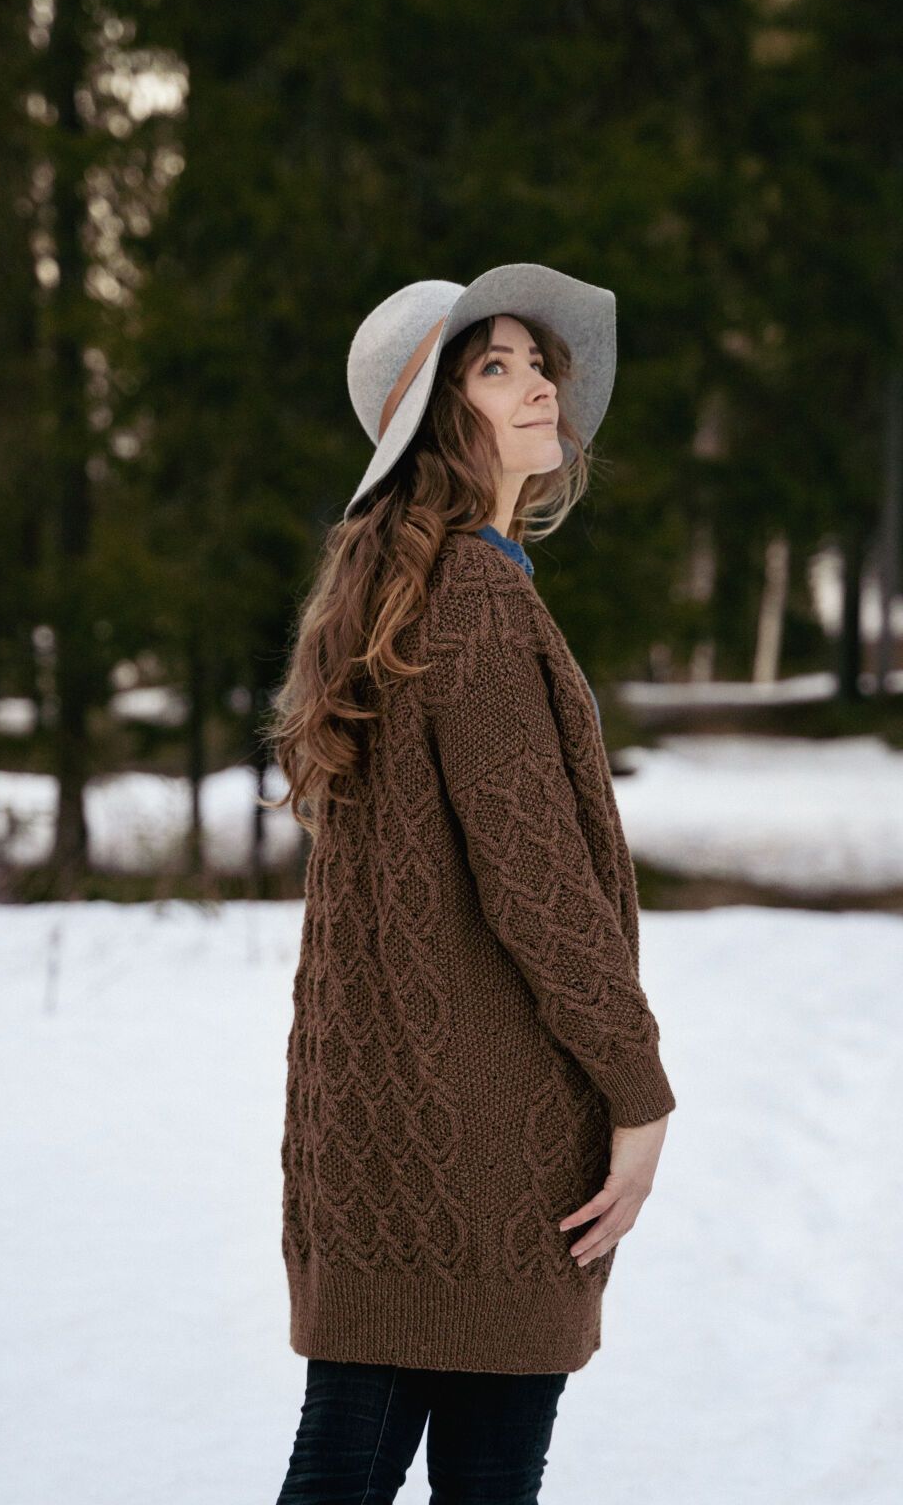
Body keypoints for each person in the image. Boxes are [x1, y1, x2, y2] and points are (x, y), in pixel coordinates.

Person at [260, 263, 677, 1504]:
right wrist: (637, 1091)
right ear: (439, 419)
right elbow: (539, 886)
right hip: (484, 1141)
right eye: (495, 367)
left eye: (536, 361)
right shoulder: (478, 600)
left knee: (344, 1467)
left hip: (376, 1128)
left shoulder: (404, 593)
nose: (539, 383)